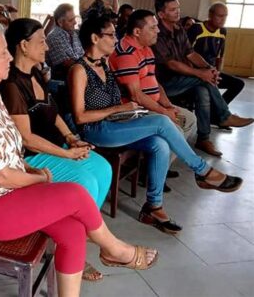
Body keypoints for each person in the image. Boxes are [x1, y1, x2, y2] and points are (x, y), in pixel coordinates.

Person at [0, 19, 158, 297]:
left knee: (71, 230)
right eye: (2, 52)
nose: (10, 55)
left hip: (1, 193)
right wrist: (40, 177)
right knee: (75, 194)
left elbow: (7, 149)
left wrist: (28, 168)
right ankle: (115, 249)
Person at [69, 14, 243, 235]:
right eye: (111, 35)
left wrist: (129, 110)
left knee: (159, 144)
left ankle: (153, 207)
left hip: (117, 122)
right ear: (95, 38)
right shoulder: (79, 70)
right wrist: (119, 109)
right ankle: (202, 171)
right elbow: (80, 117)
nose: (116, 39)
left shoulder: (104, 64)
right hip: (96, 130)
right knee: (161, 121)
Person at [2, 18, 112, 282]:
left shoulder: (37, 73)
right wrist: (67, 155)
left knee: (103, 169)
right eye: (41, 42)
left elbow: (54, 113)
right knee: (84, 181)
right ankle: (70, 247)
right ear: (23, 45)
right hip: (31, 156)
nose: (47, 48)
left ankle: (78, 238)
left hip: (56, 146)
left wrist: (71, 138)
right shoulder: (11, 85)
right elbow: (26, 139)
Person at [151, 0, 253, 157]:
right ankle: (223, 116)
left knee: (203, 90)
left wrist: (209, 68)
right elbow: (171, 63)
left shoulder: (178, 30)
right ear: (161, 14)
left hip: (183, 80)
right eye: (172, 9)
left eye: (178, 8)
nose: (178, 12)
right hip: (164, 85)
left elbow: (191, 54)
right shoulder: (157, 33)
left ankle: (203, 139)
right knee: (201, 79)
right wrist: (201, 73)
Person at [109, 9, 197, 180]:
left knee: (189, 119)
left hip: (152, 104)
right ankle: (155, 172)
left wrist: (169, 106)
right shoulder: (126, 53)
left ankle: (158, 168)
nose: (158, 30)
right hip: (135, 109)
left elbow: (155, 82)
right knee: (175, 127)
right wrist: (165, 113)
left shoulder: (146, 49)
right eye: (153, 27)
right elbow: (136, 95)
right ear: (137, 32)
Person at [187, 2, 245, 105]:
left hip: (212, 71)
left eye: (225, 16)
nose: (223, 19)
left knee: (238, 84)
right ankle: (220, 113)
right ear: (210, 15)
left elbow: (219, 56)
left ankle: (216, 114)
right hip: (196, 73)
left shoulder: (223, 31)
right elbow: (186, 55)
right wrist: (198, 73)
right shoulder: (196, 29)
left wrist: (217, 73)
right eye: (220, 16)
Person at [46, 3, 84, 81]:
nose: (75, 22)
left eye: (75, 18)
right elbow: (67, 64)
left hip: (78, 75)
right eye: (71, 20)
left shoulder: (73, 34)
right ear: (60, 22)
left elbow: (81, 55)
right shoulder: (54, 37)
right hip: (63, 81)